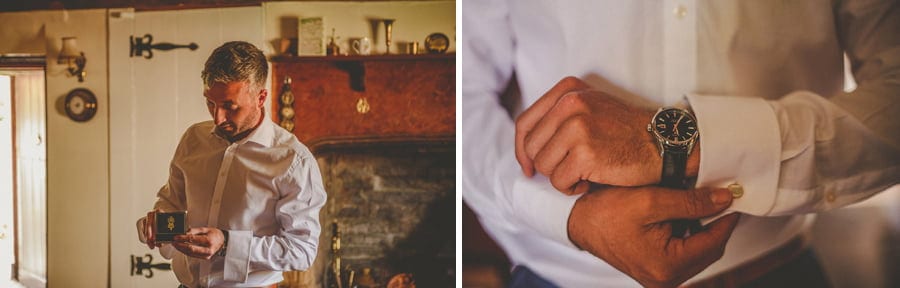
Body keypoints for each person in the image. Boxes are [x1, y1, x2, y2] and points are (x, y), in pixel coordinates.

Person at [462, 1, 900, 287]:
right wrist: (567, 216)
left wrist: (689, 143)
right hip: (556, 276)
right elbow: (458, 89)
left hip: (773, 270)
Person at [136, 41, 327, 288]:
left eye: (229, 106)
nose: (217, 117)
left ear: (261, 97)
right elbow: (172, 202)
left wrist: (227, 242)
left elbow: (302, 251)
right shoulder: (193, 139)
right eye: (210, 103)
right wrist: (156, 223)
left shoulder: (293, 161)